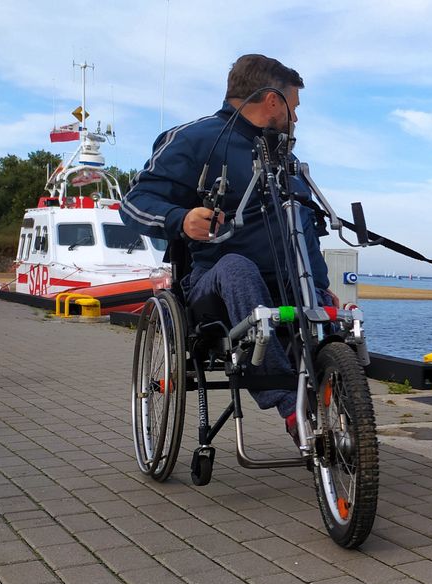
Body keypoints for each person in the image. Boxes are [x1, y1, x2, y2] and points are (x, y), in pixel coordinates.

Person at [122, 54, 332, 444]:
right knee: (237, 266)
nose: (296, 119)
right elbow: (134, 203)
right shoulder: (193, 139)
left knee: (329, 308)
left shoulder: (288, 161)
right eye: (293, 107)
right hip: (215, 284)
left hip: (287, 288)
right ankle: (290, 407)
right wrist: (180, 220)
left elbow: (307, 231)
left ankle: (340, 397)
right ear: (272, 100)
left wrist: (321, 286)